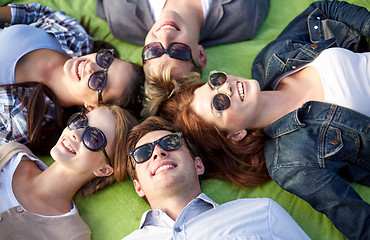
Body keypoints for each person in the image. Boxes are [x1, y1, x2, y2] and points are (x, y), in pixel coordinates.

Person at [158, 1, 370, 239]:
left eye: (215, 81)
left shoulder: (271, 59)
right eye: (219, 104)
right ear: (236, 134)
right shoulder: (292, 164)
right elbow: (358, 222)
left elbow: (323, 9)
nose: (225, 87)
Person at [123, 116, 310, 239]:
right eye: (143, 153)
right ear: (138, 186)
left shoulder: (261, 212)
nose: (158, 151)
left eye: (170, 143)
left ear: (198, 165)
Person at [0, 3, 144, 154]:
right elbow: (36, 13)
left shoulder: (28, 120)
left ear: (92, 107)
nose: (91, 67)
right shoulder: (76, 38)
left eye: (99, 81)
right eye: (105, 60)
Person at [96, 0, 270, 117]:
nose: (164, 37)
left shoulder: (121, 18)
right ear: (201, 55)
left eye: (153, 51)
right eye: (178, 51)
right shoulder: (245, 16)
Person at [0, 105, 137, 239]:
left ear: (103, 169)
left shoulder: (72, 234)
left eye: (93, 138)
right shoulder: (11, 154)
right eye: (80, 122)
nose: (75, 133)